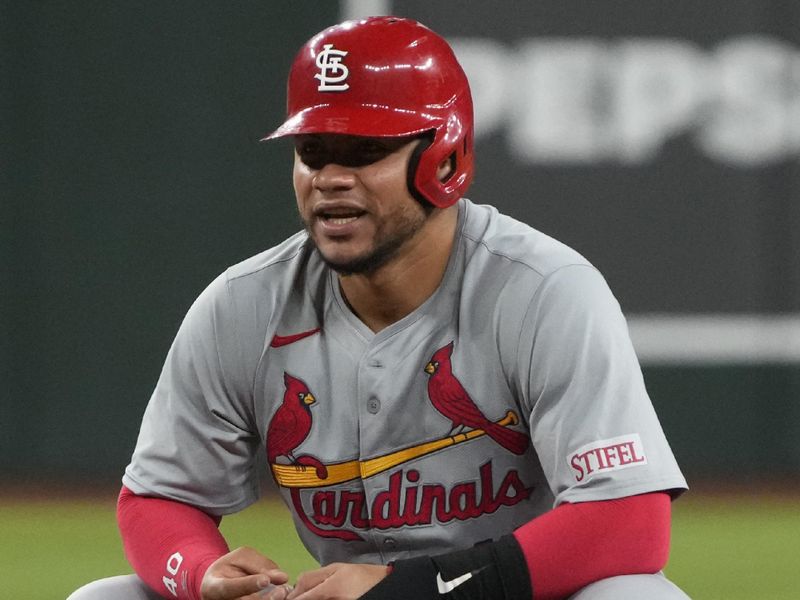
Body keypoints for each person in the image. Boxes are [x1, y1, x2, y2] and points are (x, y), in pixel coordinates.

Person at [68, 16, 690, 600]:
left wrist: (408, 589)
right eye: (313, 151)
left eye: (364, 151)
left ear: (446, 158)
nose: (330, 177)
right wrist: (201, 570)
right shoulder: (244, 303)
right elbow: (158, 499)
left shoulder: (545, 290)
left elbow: (630, 522)